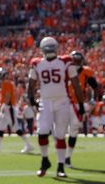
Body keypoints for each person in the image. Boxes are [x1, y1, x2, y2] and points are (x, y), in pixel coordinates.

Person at [27, 37, 85, 178]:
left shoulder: (65, 61)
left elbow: (76, 84)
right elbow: (31, 85)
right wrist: (32, 100)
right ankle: (45, 159)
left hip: (62, 102)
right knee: (42, 132)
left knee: (60, 135)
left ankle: (60, 167)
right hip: (46, 102)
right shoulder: (37, 63)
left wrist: (81, 104)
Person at [64, 50, 101, 167]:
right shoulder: (65, 71)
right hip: (63, 102)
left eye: (78, 60)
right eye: (74, 60)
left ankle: (67, 157)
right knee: (57, 129)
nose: (76, 62)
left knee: (73, 130)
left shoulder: (86, 72)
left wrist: (94, 100)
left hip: (77, 104)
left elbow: (95, 86)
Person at [0, 67, 34, 153]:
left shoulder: (6, 83)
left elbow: (7, 96)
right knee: (0, 127)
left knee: (16, 128)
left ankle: (28, 144)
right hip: (8, 107)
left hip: (9, 107)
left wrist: (3, 107)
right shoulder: (6, 83)